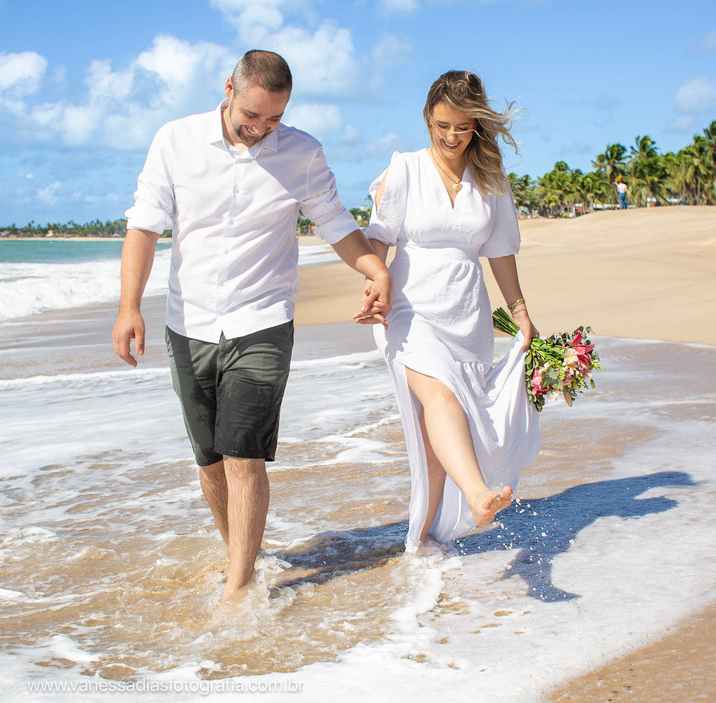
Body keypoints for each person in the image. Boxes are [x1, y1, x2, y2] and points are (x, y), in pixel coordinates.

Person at [112, 50, 393, 602]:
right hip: (187, 320)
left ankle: (239, 589)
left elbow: (335, 223)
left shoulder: (303, 153)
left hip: (263, 319)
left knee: (243, 456)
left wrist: (374, 266)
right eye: (252, 116)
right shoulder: (175, 140)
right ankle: (242, 554)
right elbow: (144, 227)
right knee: (211, 461)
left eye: (275, 119)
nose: (262, 129)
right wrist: (129, 307)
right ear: (228, 90)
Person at [357, 70, 541, 552]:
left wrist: (519, 310)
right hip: (408, 309)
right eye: (442, 125)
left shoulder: (491, 180)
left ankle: (423, 542)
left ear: (476, 126)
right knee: (441, 397)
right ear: (427, 119)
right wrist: (375, 282)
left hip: (467, 315)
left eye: (462, 127)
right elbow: (378, 237)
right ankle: (478, 494)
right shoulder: (405, 169)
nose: (451, 136)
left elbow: (500, 250)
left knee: (437, 435)